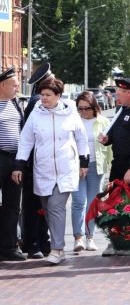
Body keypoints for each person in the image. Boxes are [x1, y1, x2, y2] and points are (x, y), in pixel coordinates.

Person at [12, 76, 88, 265]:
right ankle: (57, 247)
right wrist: (19, 164)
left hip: (65, 169)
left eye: (47, 95)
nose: (43, 98)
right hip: (43, 170)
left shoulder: (70, 112)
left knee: (55, 206)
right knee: (47, 208)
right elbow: (26, 140)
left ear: (58, 96)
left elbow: (81, 136)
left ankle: (57, 248)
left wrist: (84, 160)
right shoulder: (36, 114)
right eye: (42, 94)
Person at [98, 77, 130, 256]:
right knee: (114, 200)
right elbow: (115, 133)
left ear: (129, 93)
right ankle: (114, 241)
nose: (116, 96)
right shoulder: (122, 109)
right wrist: (107, 140)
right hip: (118, 162)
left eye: (119, 93)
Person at [70, 91, 112, 253]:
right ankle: (78, 238)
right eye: (80, 109)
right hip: (77, 166)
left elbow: (110, 147)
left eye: (86, 108)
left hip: (96, 166)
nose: (83, 112)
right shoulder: (74, 121)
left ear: (94, 107)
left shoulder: (103, 122)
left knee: (93, 203)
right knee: (78, 201)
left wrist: (110, 167)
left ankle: (90, 237)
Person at [21, 63, 53, 259]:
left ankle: (42, 241)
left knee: (43, 205)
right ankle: (33, 243)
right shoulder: (36, 102)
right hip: (34, 163)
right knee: (34, 205)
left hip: (42, 162)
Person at [0, 67, 26, 261]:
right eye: (14, 84)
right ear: (2, 85)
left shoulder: (16, 103)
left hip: (15, 160)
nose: (17, 87)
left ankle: (9, 247)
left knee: (12, 205)